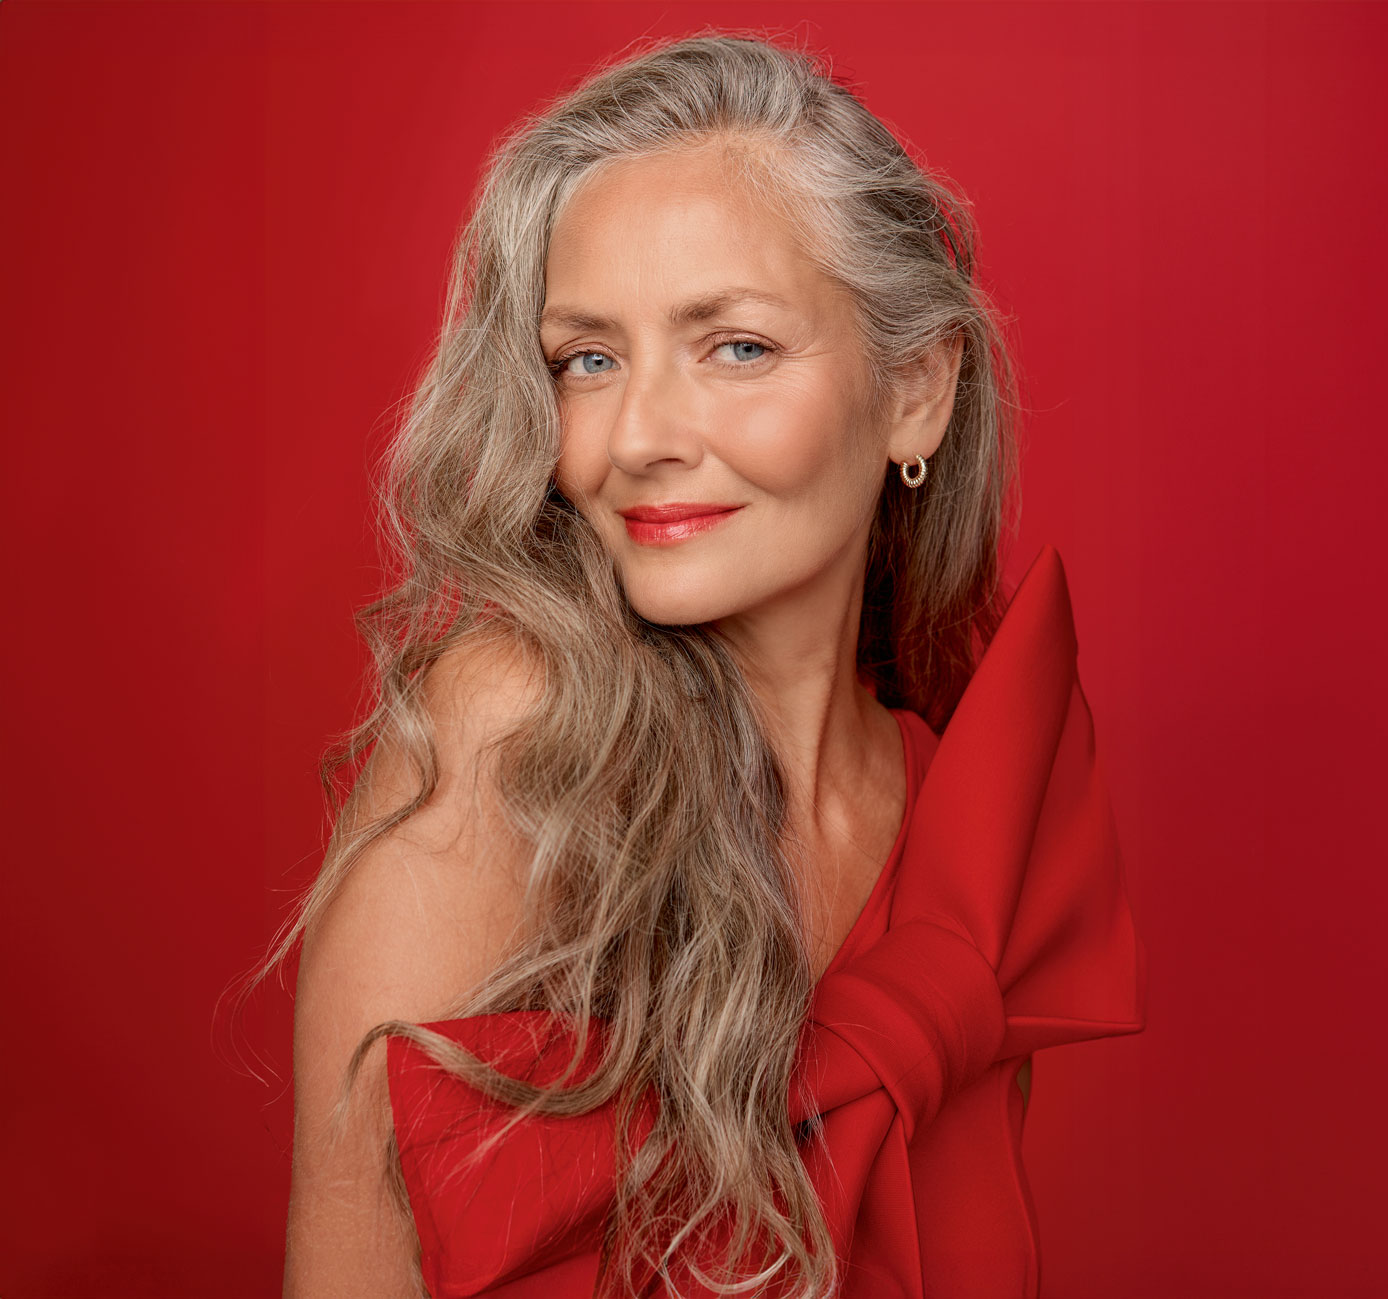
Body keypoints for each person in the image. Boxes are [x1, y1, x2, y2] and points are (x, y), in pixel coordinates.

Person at [267, 30, 1145, 1299]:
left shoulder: (961, 821)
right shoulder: (512, 738)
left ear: (915, 391)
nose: (636, 439)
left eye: (734, 347)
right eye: (589, 359)